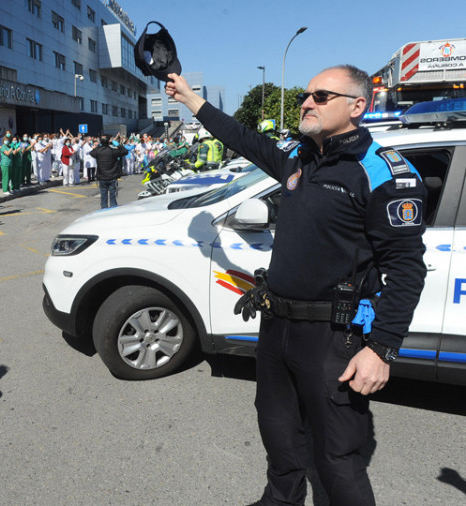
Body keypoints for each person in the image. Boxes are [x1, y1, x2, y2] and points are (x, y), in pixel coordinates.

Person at [166, 65, 427, 506]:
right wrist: (192, 100)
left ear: (357, 106)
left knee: (338, 456)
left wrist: (381, 349)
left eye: (321, 96)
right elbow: (244, 140)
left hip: (334, 339)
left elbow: (406, 269)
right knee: (278, 431)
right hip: (278, 328)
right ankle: (280, 500)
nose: (307, 102)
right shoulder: (300, 158)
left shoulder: (381, 172)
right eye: (307, 95)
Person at [89, 134, 128, 209]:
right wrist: (116, 143)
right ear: (108, 142)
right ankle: (113, 212)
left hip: (102, 176)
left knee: (103, 197)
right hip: (112, 176)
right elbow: (125, 151)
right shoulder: (113, 151)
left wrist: (99, 145)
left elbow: (91, 152)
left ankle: (103, 211)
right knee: (112, 197)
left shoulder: (98, 151)